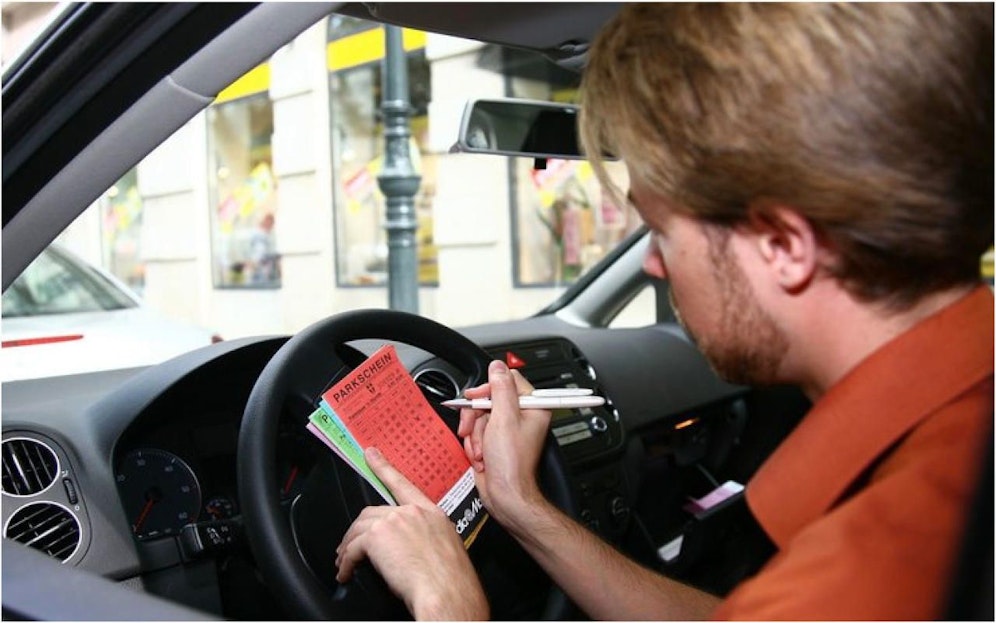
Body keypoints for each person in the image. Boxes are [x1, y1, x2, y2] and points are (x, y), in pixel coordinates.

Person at [334, 4, 993, 619]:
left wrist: (447, 597)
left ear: (783, 246)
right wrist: (524, 508)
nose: (652, 262)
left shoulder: (883, 558)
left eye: (659, 228)